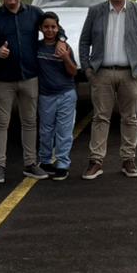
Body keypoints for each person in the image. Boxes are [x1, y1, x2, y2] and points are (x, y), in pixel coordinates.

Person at [78, 0, 137, 179]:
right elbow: (84, 41)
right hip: (101, 73)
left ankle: (128, 159)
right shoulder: (95, 11)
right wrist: (87, 67)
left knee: (129, 118)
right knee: (100, 117)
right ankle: (96, 161)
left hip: (130, 73)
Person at [0, 0, 49, 184]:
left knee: (29, 122)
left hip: (29, 77)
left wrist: (61, 39)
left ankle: (30, 163)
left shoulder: (35, 13)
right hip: (3, 80)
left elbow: (52, 27)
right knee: (1, 123)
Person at [36, 12, 78, 181]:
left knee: (64, 131)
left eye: (53, 27)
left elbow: (73, 71)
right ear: (40, 28)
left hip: (66, 93)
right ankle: (45, 160)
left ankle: (62, 163)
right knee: (46, 130)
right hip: (46, 95)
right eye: (46, 27)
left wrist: (66, 57)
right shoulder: (37, 47)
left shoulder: (64, 47)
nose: (50, 30)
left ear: (58, 27)